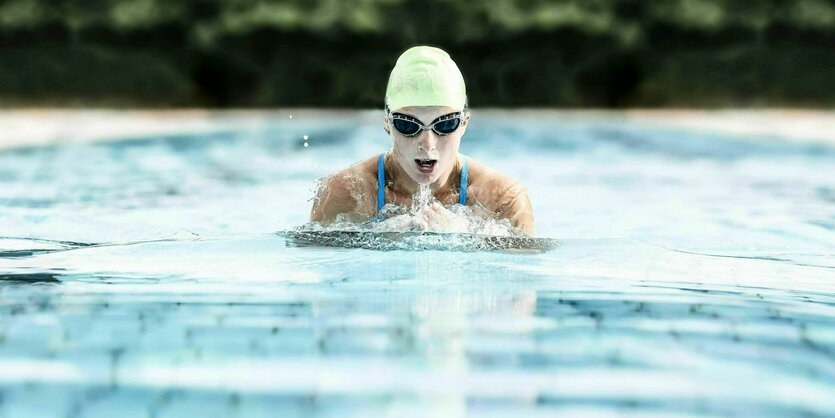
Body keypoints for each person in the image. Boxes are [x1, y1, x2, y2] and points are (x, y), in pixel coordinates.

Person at [310, 46, 535, 236]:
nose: (428, 144)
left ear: (464, 124)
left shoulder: (503, 199)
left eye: (444, 124)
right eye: (408, 124)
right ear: (387, 123)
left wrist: (462, 238)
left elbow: (523, 278)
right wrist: (379, 240)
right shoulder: (344, 193)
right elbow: (316, 266)